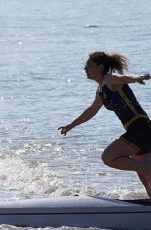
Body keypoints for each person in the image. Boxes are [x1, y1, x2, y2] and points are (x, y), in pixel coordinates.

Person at [58, 51, 151, 197]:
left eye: (88, 65)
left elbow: (124, 77)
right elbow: (91, 110)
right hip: (140, 130)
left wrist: (137, 77)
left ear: (100, 67)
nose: (85, 69)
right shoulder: (101, 90)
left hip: (140, 128)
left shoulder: (109, 79)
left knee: (108, 157)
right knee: (143, 174)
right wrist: (71, 125)